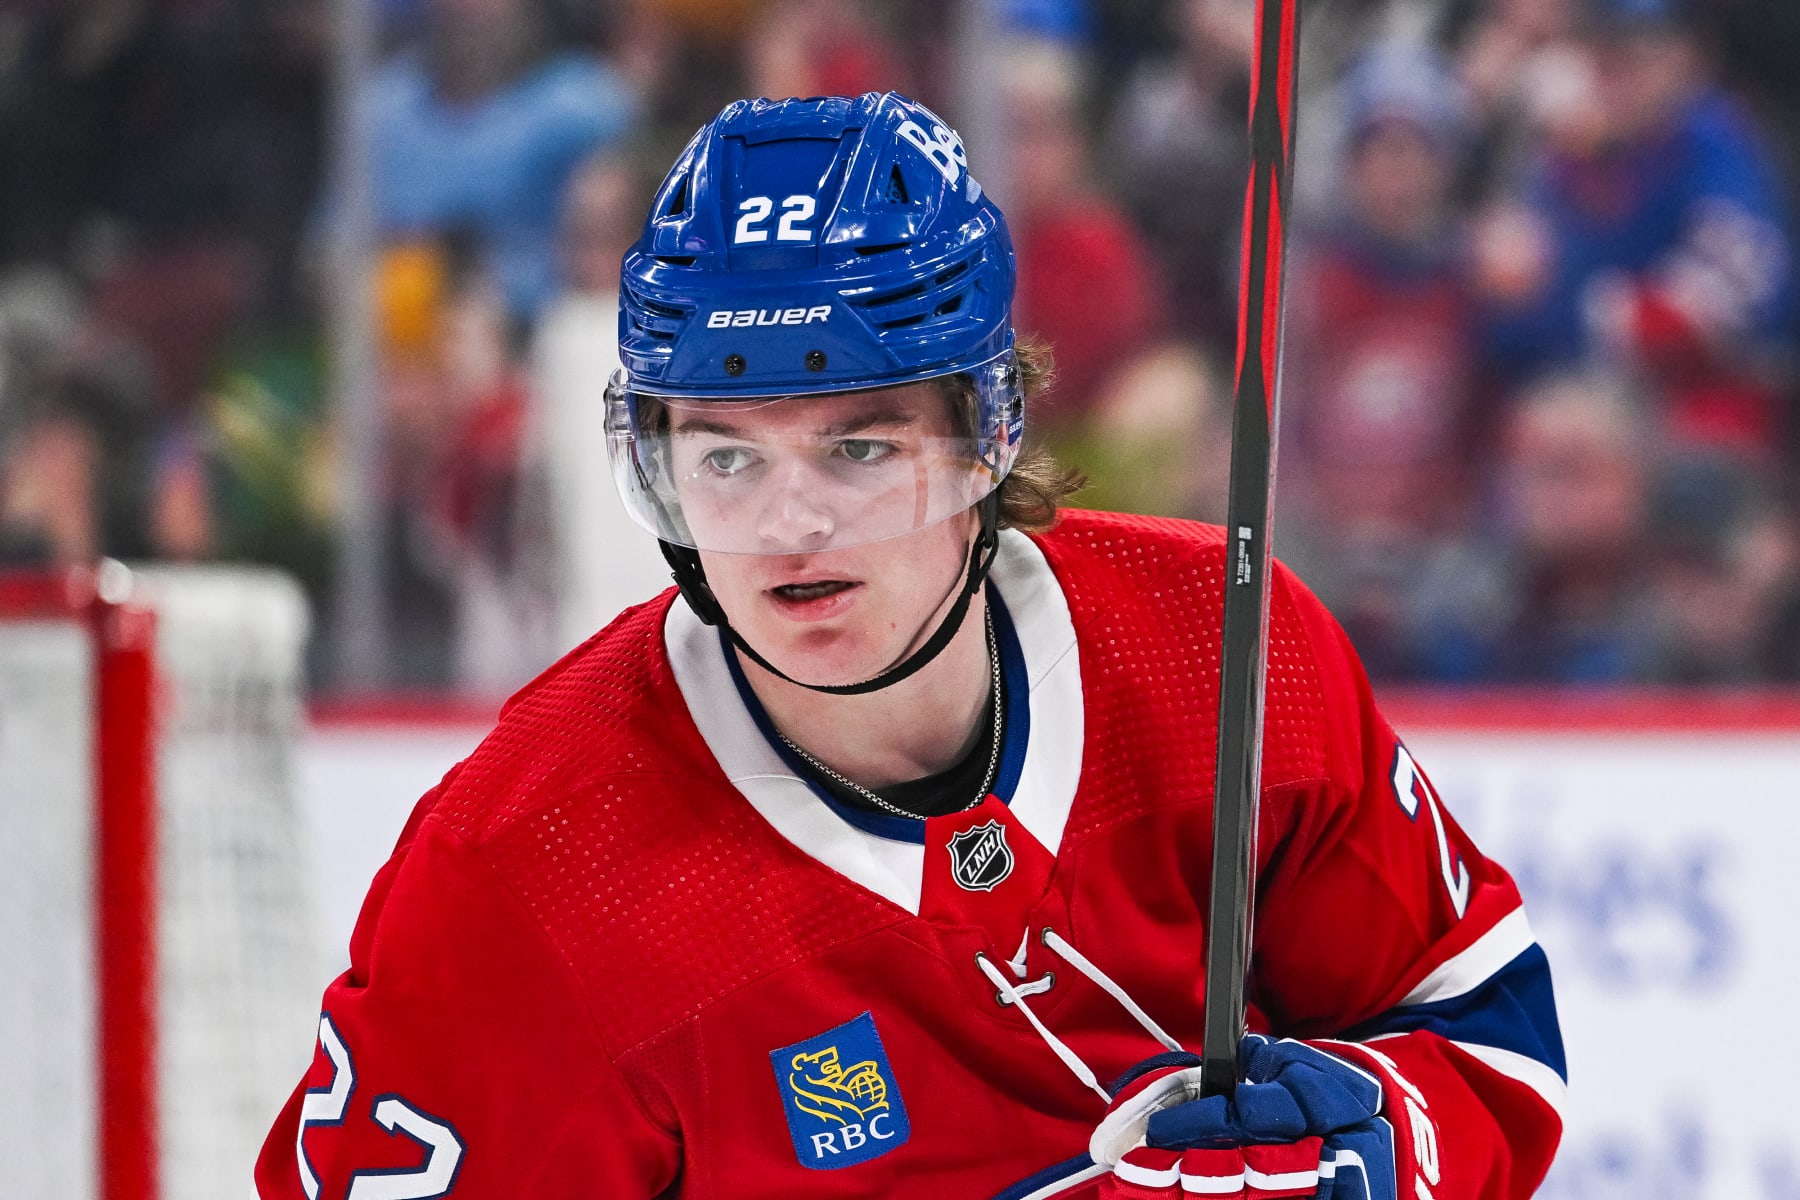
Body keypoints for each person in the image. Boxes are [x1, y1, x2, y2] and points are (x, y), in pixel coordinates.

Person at [258, 93, 1564, 1198]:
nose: (790, 522)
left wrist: (1374, 1144)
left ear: (986, 434)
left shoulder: (1218, 652)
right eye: (723, 455)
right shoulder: (529, 871)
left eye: (862, 446)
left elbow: (1484, 1034)